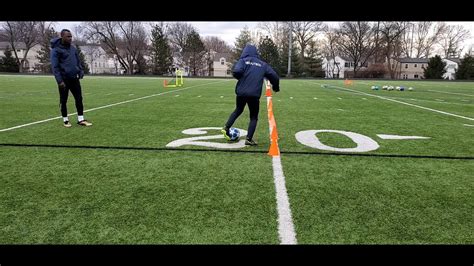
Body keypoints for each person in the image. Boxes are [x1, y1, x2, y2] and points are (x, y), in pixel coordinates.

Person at [221, 44, 280, 146]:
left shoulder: (243, 61)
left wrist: (240, 76)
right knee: (253, 117)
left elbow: (237, 71)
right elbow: (274, 76)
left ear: (245, 52)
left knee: (238, 110)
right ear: (256, 53)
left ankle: (226, 127)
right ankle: (248, 139)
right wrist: (276, 87)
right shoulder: (262, 64)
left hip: (241, 92)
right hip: (254, 94)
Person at [51, 29, 92, 128]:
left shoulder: (73, 49)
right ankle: (65, 120)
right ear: (62, 37)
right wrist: (59, 80)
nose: (70, 38)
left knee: (79, 98)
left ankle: (81, 119)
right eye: (68, 37)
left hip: (74, 78)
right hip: (64, 80)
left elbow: (78, 62)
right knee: (63, 100)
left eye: (71, 37)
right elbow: (55, 67)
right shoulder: (56, 50)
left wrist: (80, 71)